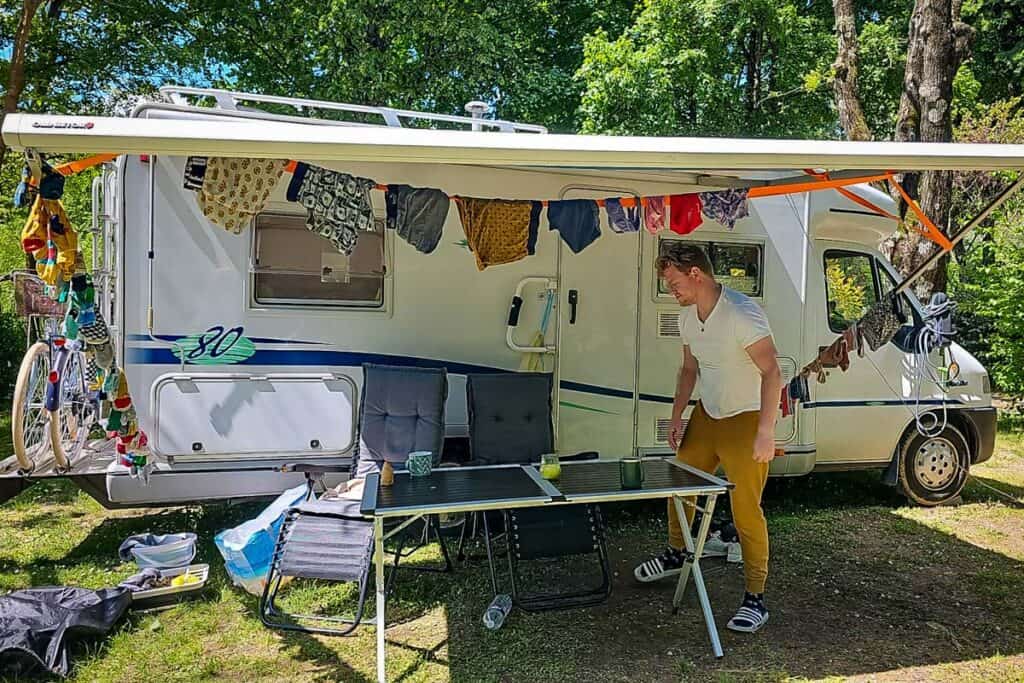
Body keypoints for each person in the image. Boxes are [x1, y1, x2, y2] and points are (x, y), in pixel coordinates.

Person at [634, 243, 782, 633]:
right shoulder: (687, 317)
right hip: (707, 414)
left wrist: (766, 432)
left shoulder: (741, 314)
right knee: (679, 484)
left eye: (674, 282)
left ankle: (755, 597)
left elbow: (773, 373)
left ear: (696, 275)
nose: (671, 291)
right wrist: (677, 415)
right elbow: (688, 369)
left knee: (745, 511)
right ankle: (676, 552)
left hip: (745, 419)